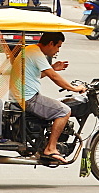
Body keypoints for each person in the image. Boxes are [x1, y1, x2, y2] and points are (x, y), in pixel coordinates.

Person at [9, 31, 85, 164]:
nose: (57, 51)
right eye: (58, 46)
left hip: (20, 97)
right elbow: (54, 77)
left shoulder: (31, 50)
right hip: (28, 98)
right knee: (64, 111)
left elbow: (37, 75)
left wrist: (52, 68)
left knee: (57, 105)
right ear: (51, 43)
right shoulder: (36, 52)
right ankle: (51, 148)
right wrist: (74, 89)